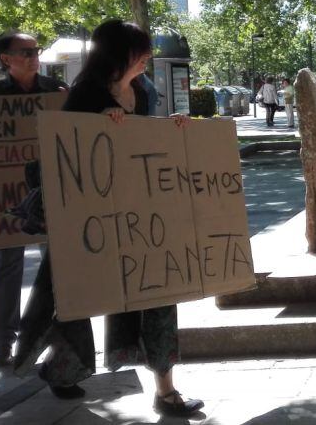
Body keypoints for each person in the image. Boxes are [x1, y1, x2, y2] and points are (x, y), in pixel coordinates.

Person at [12, 20, 203, 416]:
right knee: (76, 299)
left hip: (138, 216)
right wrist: (98, 126)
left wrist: (172, 131)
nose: (148, 56)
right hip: (90, 224)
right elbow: (66, 155)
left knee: (159, 293)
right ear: (120, 55)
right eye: (141, 50)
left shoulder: (144, 90)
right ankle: (63, 371)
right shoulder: (85, 93)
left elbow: (144, 144)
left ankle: (165, 390)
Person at [0, 32, 67, 371]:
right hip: (8, 198)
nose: (33, 56)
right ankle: (3, 343)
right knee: (7, 266)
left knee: (55, 270)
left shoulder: (55, 93)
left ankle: (54, 339)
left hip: (51, 195)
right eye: (24, 52)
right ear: (6, 59)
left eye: (35, 51)